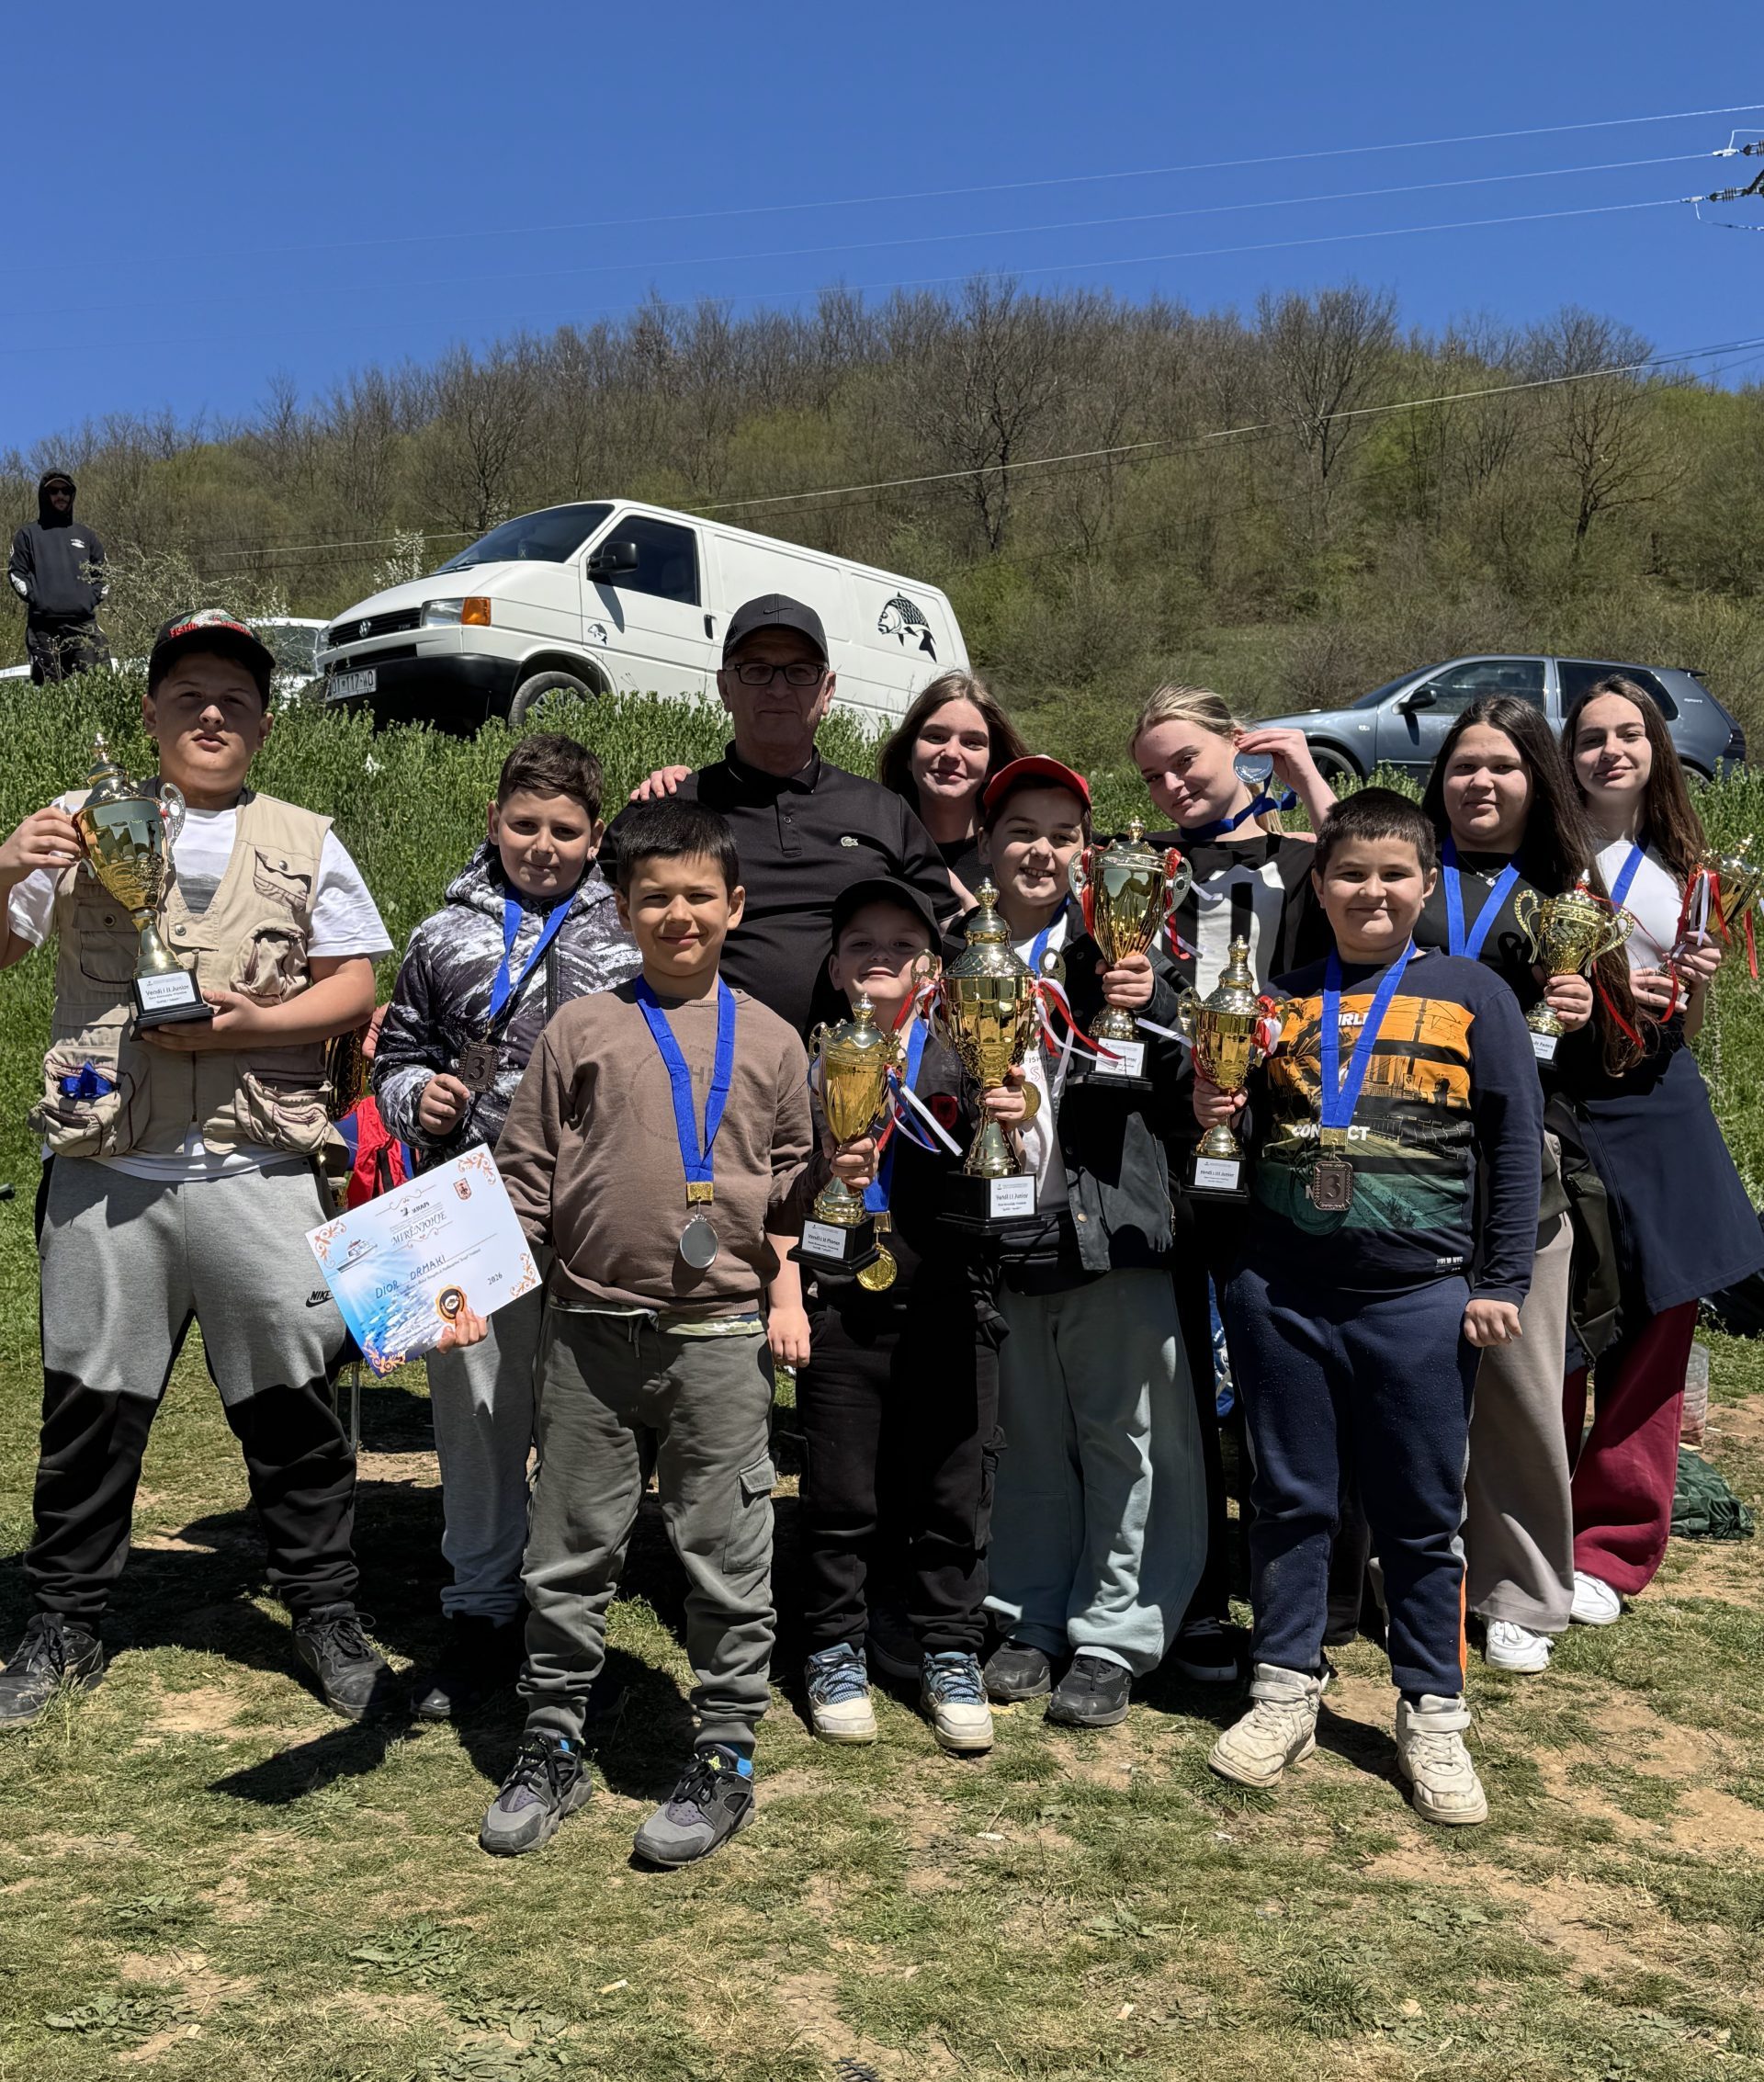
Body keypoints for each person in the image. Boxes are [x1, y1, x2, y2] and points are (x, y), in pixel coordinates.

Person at [0, 609, 398, 1729]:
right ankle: (65, 1619)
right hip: (107, 1166)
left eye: (233, 697)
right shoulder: (79, 825)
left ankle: (324, 1611)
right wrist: (3, 864)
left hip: (256, 1169)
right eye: (189, 695)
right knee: (88, 1404)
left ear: (264, 721)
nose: (211, 713)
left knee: (295, 1407)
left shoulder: (307, 837)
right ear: (152, 711)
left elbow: (355, 984)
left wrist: (242, 1026)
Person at [471, 798, 811, 1867]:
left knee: (725, 1550)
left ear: (735, 906)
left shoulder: (773, 1038)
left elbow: (796, 1188)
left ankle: (725, 1750)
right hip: (588, 1333)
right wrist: (461, 1286)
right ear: (620, 910)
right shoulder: (581, 1029)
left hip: (718, 1339)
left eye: (698, 896)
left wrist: (791, 1281)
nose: (678, 914)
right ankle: (553, 1736)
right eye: (654, 897)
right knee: (567, 1548)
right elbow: (526, 1177)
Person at [1199, 788, 1541, 1826]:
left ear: (1425, 884)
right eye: (1351, 874)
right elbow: (1241, 1131)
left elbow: (1516, 1147)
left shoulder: (1474, 992)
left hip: (1422, 1297)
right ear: (1322, 884)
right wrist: (1214, 1106)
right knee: (1291, 1497)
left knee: (1422, 1517)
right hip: (1285, 1293)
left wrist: (1499, 1282)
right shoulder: (1281, 999)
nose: (1372, 891)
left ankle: (1432, 1711)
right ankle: (1285, 1687)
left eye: (1394, 873)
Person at [372, 733, 640, 1720]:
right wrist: (417, 1098)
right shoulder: (442, 935)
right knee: (475, 1411)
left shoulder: (629, 933)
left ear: (595, 835)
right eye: (524, 824)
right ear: (493, 823)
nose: (542, 844)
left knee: (581, 1415)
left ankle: (564, 1612)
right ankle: (479, 1606)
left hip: (596, 1207)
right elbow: (393, 1054)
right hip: (466, 1207)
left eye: (565, 829)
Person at [974, 755, 1207, 1730]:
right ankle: (1028, 1613)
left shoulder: (1135, 949)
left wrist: (1151, 1003)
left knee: (1131, 1438)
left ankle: (1116, 1631)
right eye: (1022, 829)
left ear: (1089, 854)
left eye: (1064, 835)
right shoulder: (962, 954)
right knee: (1026, 1436)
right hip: (1000, 1227)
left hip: (1109, 1224)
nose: (1043, 849)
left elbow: (1202, 1079)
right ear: (986, 846)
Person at [1128, 685, 1338, 1681]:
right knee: (1179, 1384)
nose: (1171, 786)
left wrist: (1304, 778)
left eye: (1187, 763)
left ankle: (1308, 1592)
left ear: (1235, 747)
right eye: (1153, 774)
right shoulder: (1149, 871)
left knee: (1277, 1372)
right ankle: (1198, 1590)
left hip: (1284, 1143)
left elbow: (1391, 893)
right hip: (1175, 1144)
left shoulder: (1302, 861)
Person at [1558, 678, 1764, 1624]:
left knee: (1656, 1324)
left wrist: (1698, 975)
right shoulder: (1544, 860)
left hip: (1661, 1097)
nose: (1611, 750)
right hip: (1566, 1100)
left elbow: (1693, 997)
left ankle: (1612, 1546)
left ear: (1656, 750)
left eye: (1628, 734)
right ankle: (1533, 1525)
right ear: (1568, 756)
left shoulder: (1686, 862)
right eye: (1592, 737)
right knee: (1556, 1329)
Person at [1414, 697, 1611, 1673]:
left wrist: (1584, 1004)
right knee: (1407, 1374)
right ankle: (1404, 1570)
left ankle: (1523, 1589)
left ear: (1537, 778)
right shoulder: (1401, 873)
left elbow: (1620, 1054)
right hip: (1402, 1152)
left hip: (1522, 1163)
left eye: (1502, 765)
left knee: (1524, 1385)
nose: (1479, 783)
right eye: (1462, 766)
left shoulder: (1565, 892)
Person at [794, 877, 1002, 1755]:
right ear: (836, 966)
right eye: (859, 942)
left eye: (900, 945)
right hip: (844, 1297)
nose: (879, 957)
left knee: (952, 1489)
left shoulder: (971, 1047)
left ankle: (950, 1646)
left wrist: (1014, 1119)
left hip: (952, 1296)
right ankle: (834, 1645)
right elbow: (775, 1187)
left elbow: (1018, 1170)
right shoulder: (810, 1057)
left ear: (929, 965)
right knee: (840, 1491)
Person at [605, 594, 952, 1035]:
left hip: (863, 1075)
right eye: (756, 670)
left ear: (827, 691)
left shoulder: (882, 810)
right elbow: (581, 907)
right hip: (702, 1065)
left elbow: (949, 928)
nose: (778, 689)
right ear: (724, 688)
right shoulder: (670, 806)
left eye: (800, 672)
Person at [875, 670, 1028, 897]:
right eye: (936, 737)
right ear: (908, 755)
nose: (952, 753)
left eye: (972, 742)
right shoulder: (875, 848)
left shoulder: (1018, 854)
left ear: (992, 766)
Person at [8, 471, 108, 684]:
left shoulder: (86, 536)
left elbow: (104, 575)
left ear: (72, 494)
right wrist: (39, 599)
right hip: (44, 630)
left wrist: (88, 599)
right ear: (45, 495)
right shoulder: (28, 535)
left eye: (65, 491)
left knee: (98, 686)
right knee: (50, 695)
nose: (60, 495)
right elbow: (16, 573)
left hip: (84, 626)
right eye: (54, 491)